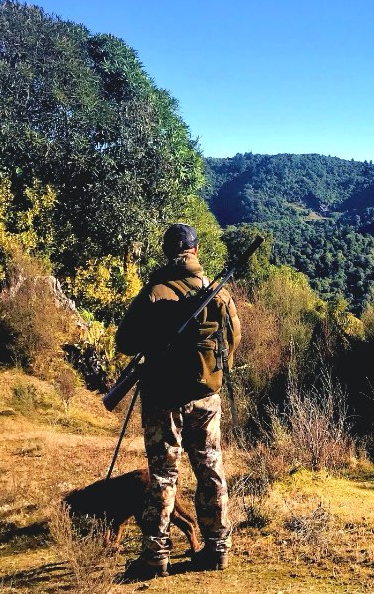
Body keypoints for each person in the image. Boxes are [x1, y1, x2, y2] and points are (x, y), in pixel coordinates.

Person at [114, 223, 241, 580]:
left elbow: (124, 342)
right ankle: (218, 549)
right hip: (206, 399)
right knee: (211, 470)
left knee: (164, 476)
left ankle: (156, 557)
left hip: (163, 401)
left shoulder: (154, 293)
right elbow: (231, 345)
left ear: (167, 253)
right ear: (196, 251)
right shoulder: (219, 295)